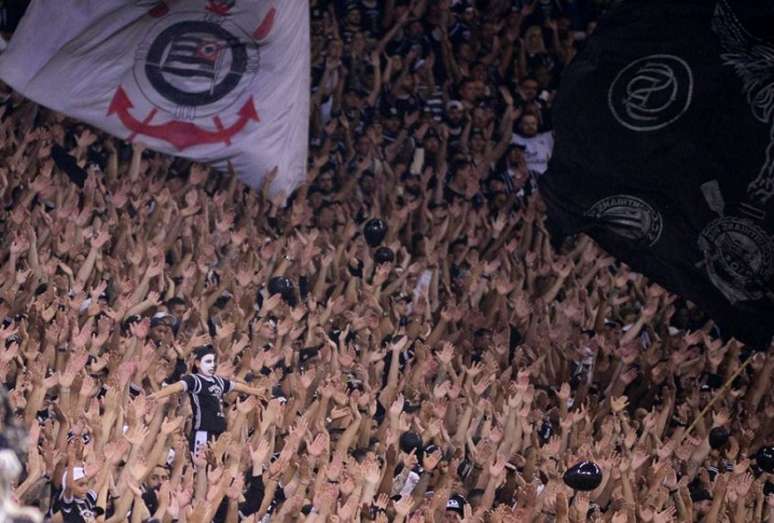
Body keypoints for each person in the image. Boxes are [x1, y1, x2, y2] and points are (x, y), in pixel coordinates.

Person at [148, 346, 265, 455]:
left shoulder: (218, 380)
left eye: (213, 362)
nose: (212, 365)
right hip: (202, 432)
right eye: (208, 362)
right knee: (200, 464)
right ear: (198, 363)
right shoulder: (194, 379)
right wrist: (159, 394)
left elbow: (237, 386)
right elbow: (177, 386)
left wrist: (255, 391)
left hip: (219, 432)